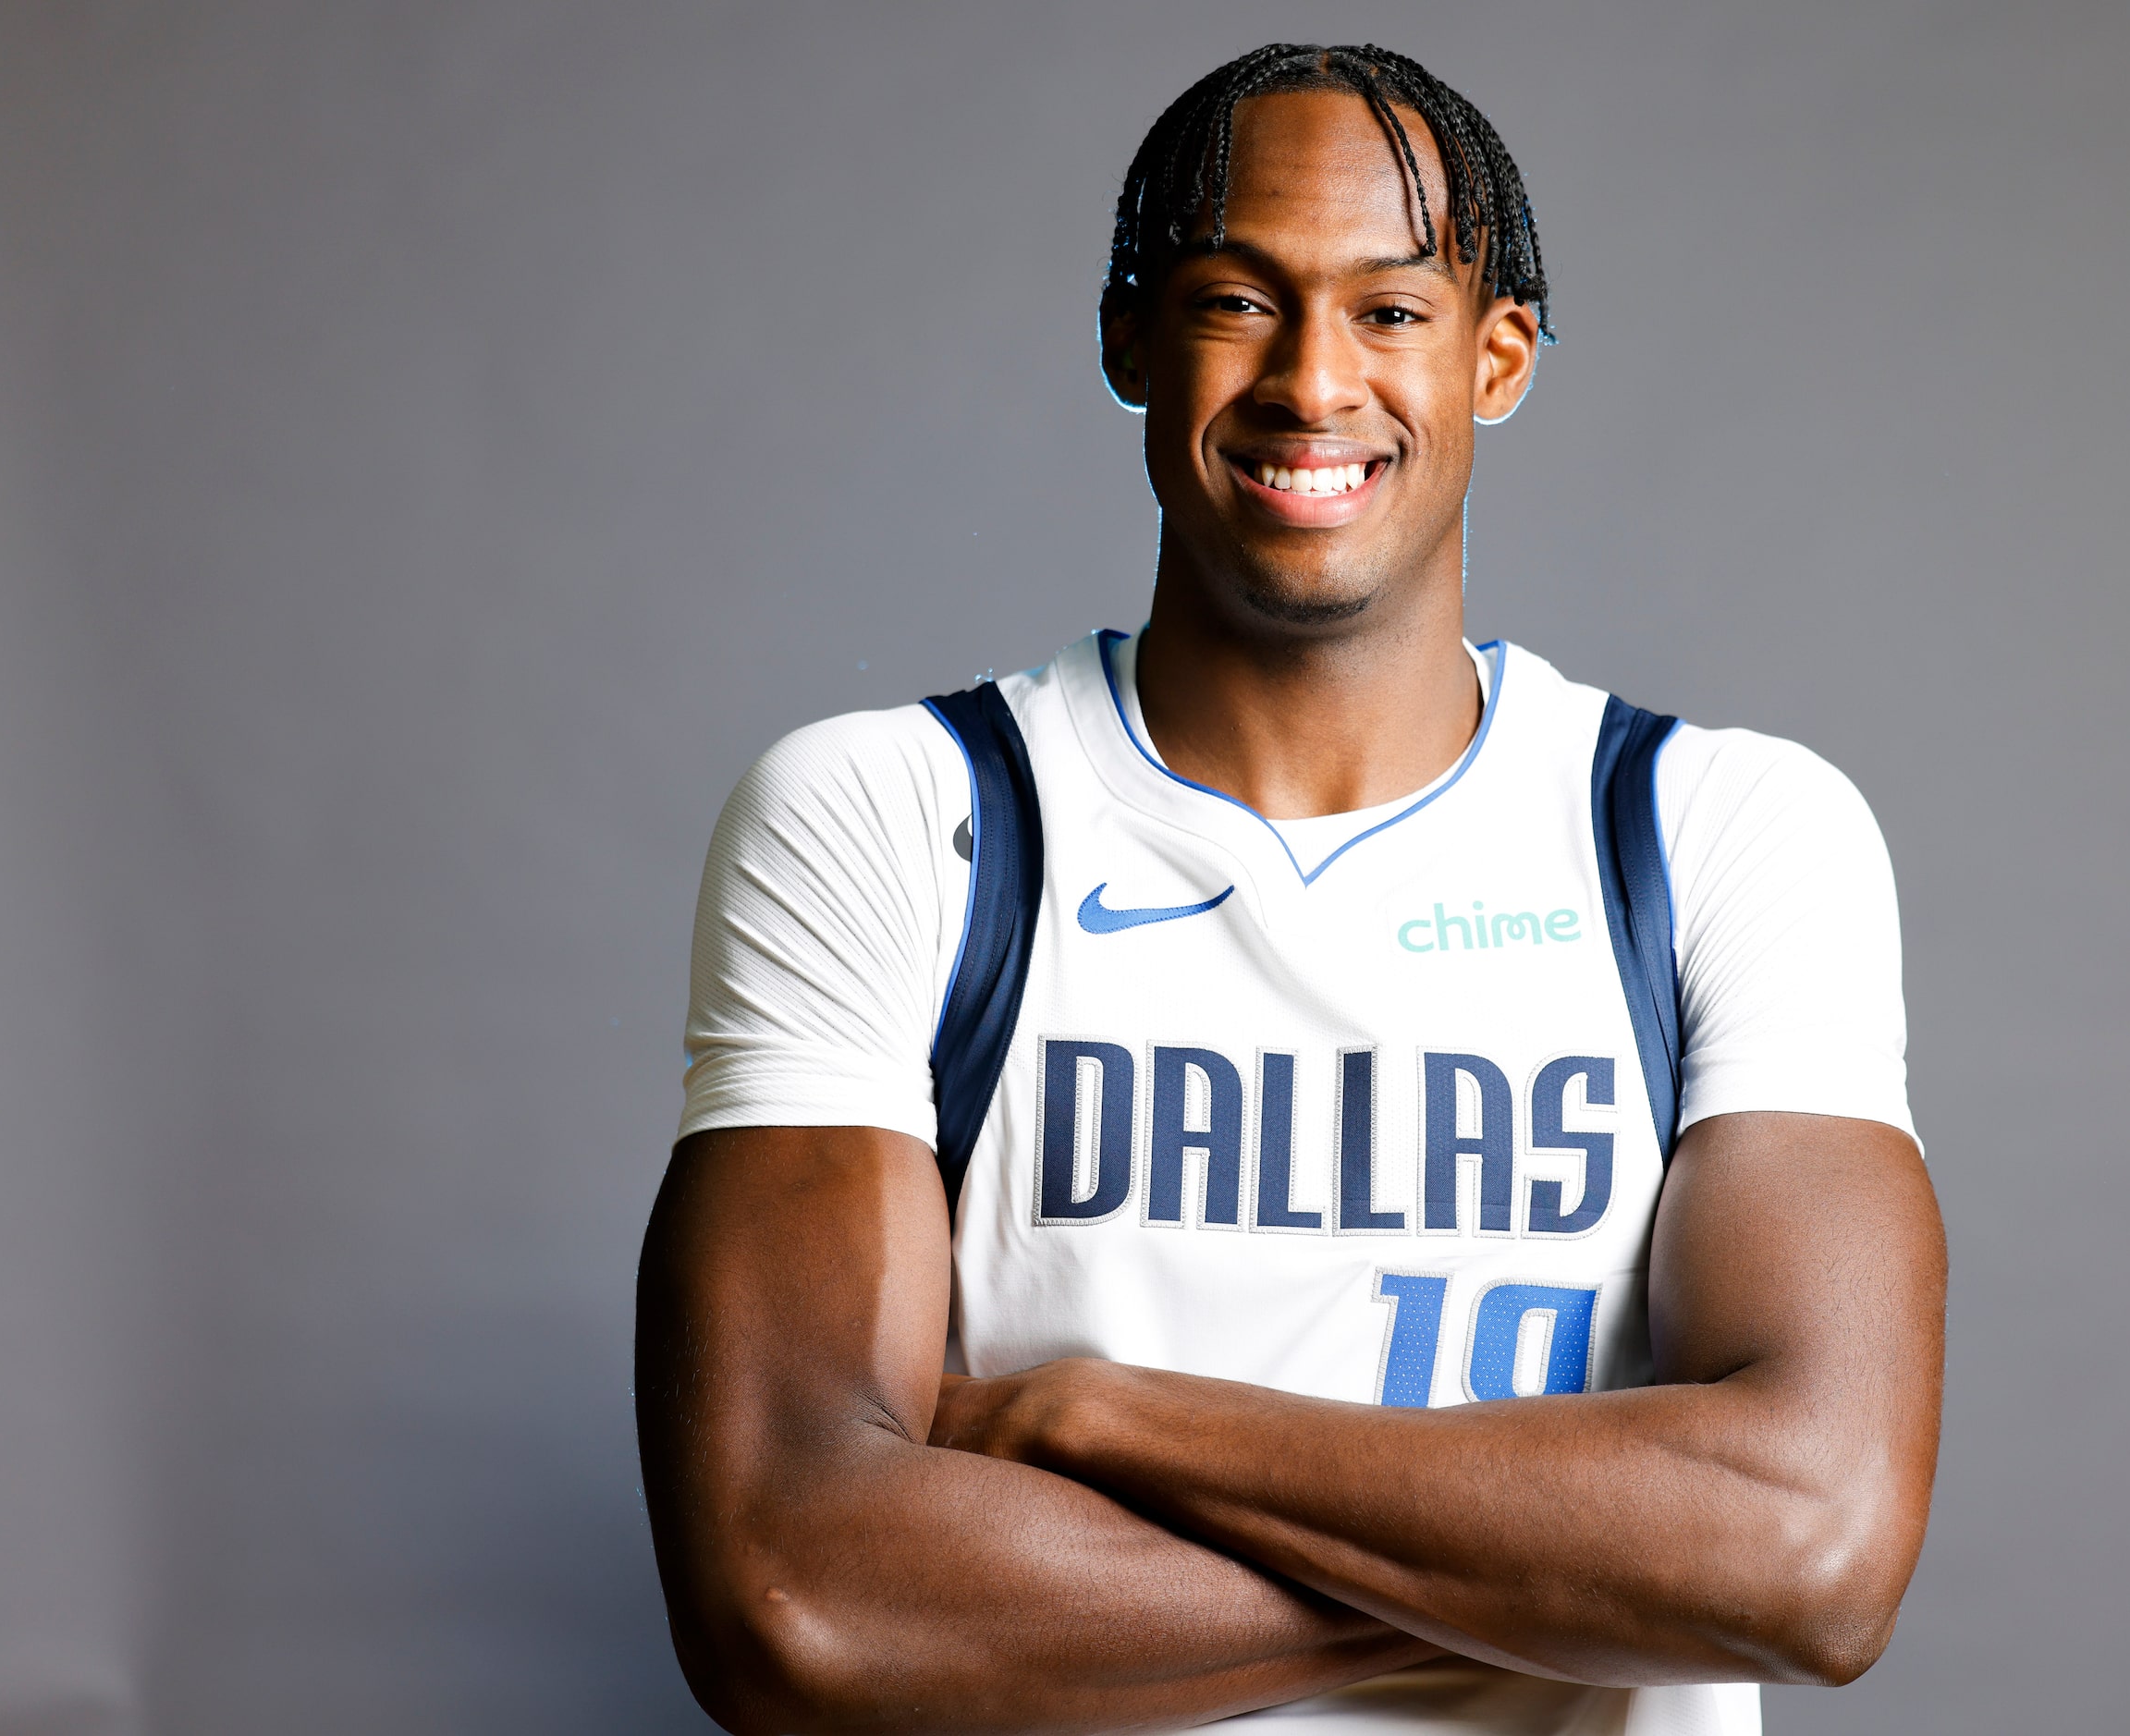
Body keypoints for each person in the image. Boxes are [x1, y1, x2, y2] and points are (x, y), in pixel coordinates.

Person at [635, 42, 1944, 1736]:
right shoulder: (901, 817)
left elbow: (1815, 1550)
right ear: (1129, 338)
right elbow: (794, 1596)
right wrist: (1578, 1576)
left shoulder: (1721, 832)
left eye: (1392, 312)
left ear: (1499, 358)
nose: (1314, 384)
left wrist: (1102, 1416)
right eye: (1238, 301)